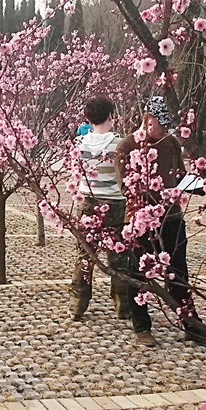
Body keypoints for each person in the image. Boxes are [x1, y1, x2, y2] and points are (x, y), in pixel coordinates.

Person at [115, 96, 204, 346]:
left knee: (178, 273)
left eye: (167, 125)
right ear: (147, 119)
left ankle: (191, 323)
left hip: (172, 217)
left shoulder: (171, 143)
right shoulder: (126, 146)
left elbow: (181, 176)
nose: (164, 130)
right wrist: (156, 194)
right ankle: (142, 327)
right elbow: (127, 187)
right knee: (138, 274)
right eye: (160, 124)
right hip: (140, 218)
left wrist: (201, 185)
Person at [70, 96, 131, 321]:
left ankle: (77, 305)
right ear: (110, 116)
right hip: (115, 203)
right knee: (118, 257)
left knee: (85, 256)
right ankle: (123, 307)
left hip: (87, 203)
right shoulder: (120, 144)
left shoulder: (79, 144)